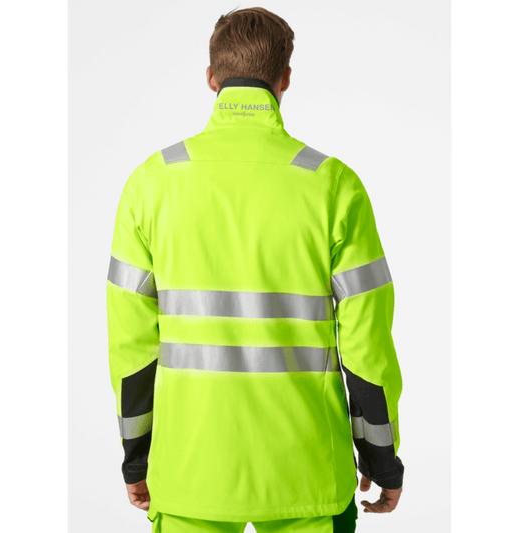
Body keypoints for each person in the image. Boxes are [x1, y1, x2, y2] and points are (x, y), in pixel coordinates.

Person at [106, 6, 404, 533]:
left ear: (211, 78)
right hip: (307, 477)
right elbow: (367, 346)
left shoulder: (150, 185)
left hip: (189, 476)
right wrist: (380, 457)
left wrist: (137, 457)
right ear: (285, 77)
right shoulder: (333, 186)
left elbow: (131, 348)